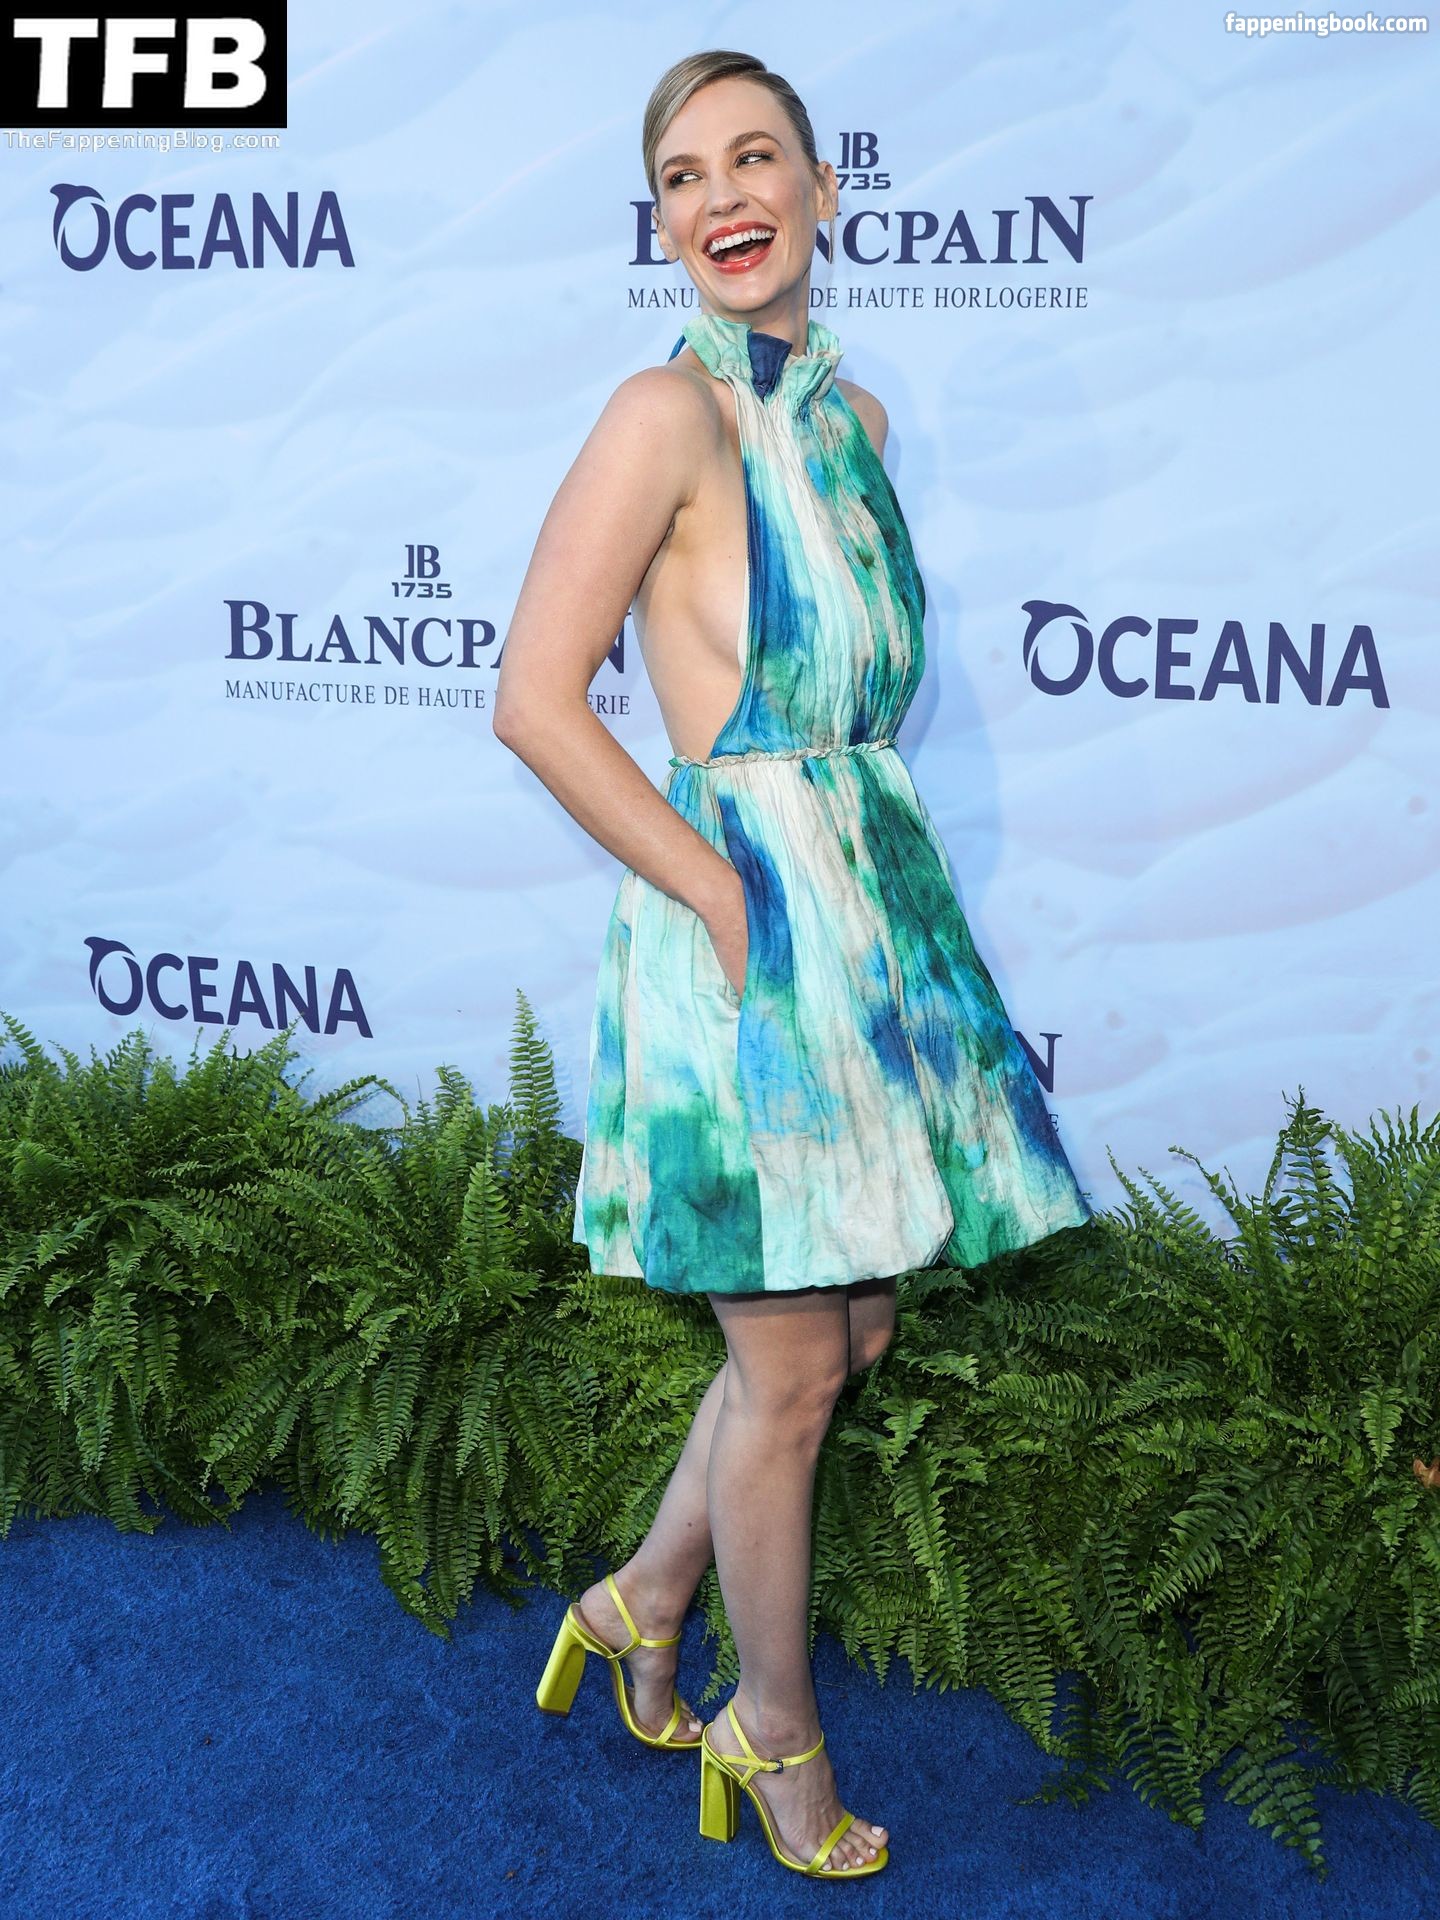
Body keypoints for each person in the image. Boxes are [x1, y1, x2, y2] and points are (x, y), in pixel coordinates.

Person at [497, 49, 1092, 1880]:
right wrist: (726, 900)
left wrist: (840, 914)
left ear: (825, 190)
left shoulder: (858, 426)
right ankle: (774, 1734)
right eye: (683, 176)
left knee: (855, 1328)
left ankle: (640, 1600)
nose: (721, 197)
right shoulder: (659, 417)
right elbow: (535, 700)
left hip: (869, 916)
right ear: (663, 223)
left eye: (755, 159)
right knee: (792, 1375)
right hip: (741, 937)